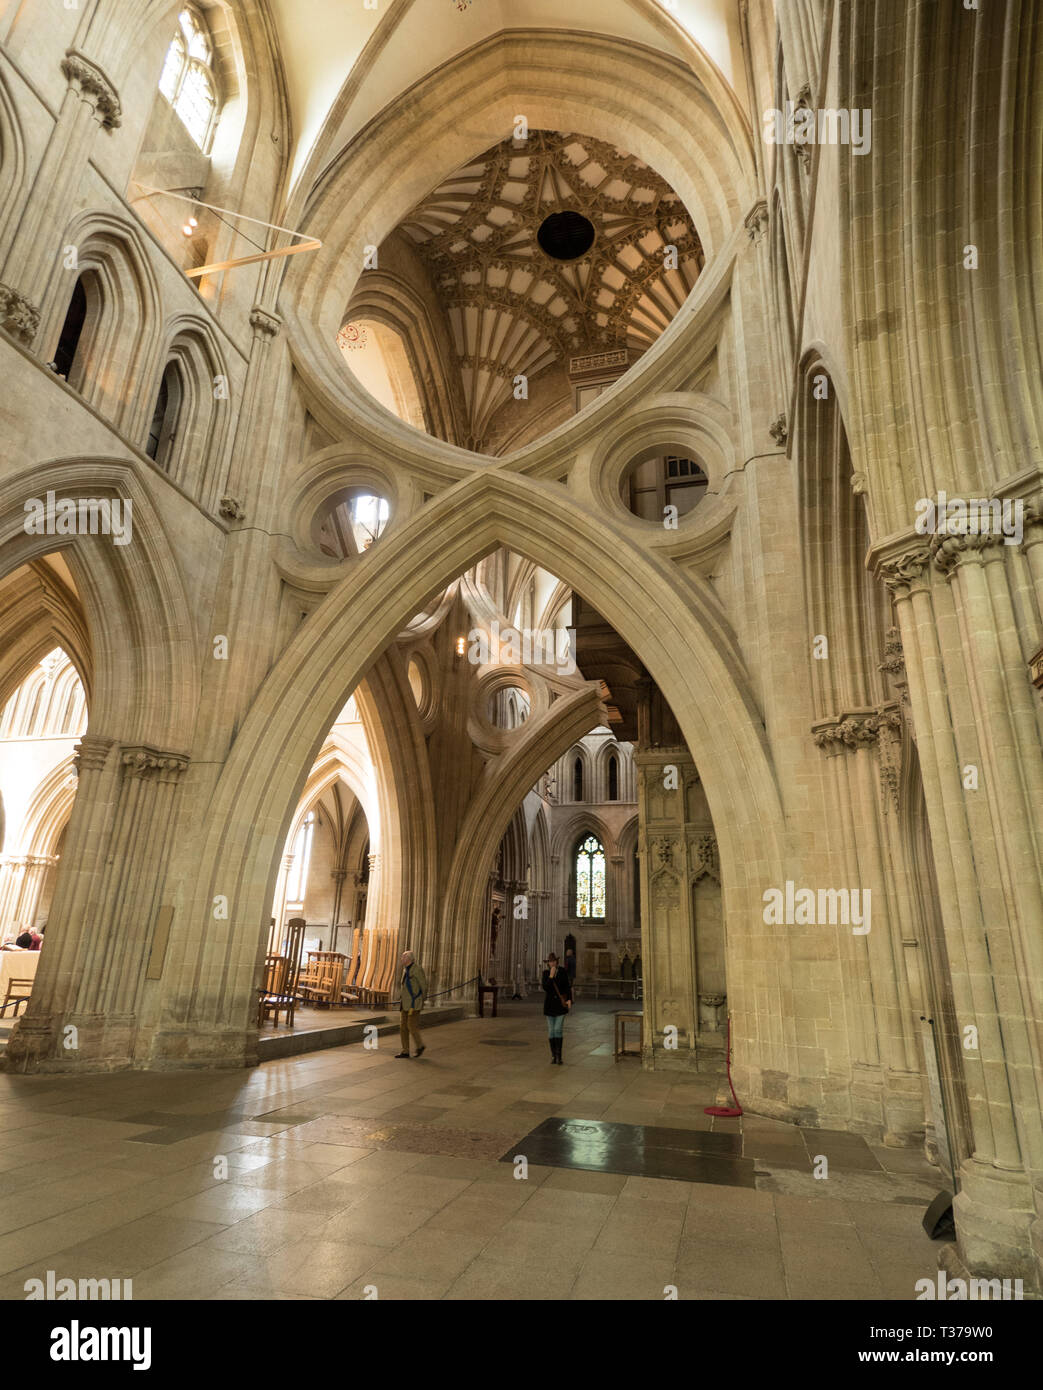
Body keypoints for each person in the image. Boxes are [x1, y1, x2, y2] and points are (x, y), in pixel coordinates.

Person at [541, 952, 572, 1065]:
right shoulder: (545, 973)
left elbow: (567, 987)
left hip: (560, 1004)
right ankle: (553, 1055)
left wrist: (569, 1000)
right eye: (550, 962)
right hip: (549, 1006)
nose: (552, 963)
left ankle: (559, 1056)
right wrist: (551, 976)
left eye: (554, 961)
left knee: (558, 1029)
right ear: (548, 963)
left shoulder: (562, 971)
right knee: (551, 1031)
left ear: (557, 962)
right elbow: (546, 987)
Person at [395, 950, 427, 1058]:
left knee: (412, 1026)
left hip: (414, 1004)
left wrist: (422, 1001)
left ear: (408, 959)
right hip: (405, 1003)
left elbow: (423, 986)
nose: (401, 959)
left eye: (403, 957)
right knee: (403, 1027)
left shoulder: (417, 969)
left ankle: (420, 1045)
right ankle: (405, 1051)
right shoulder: (406, 970)